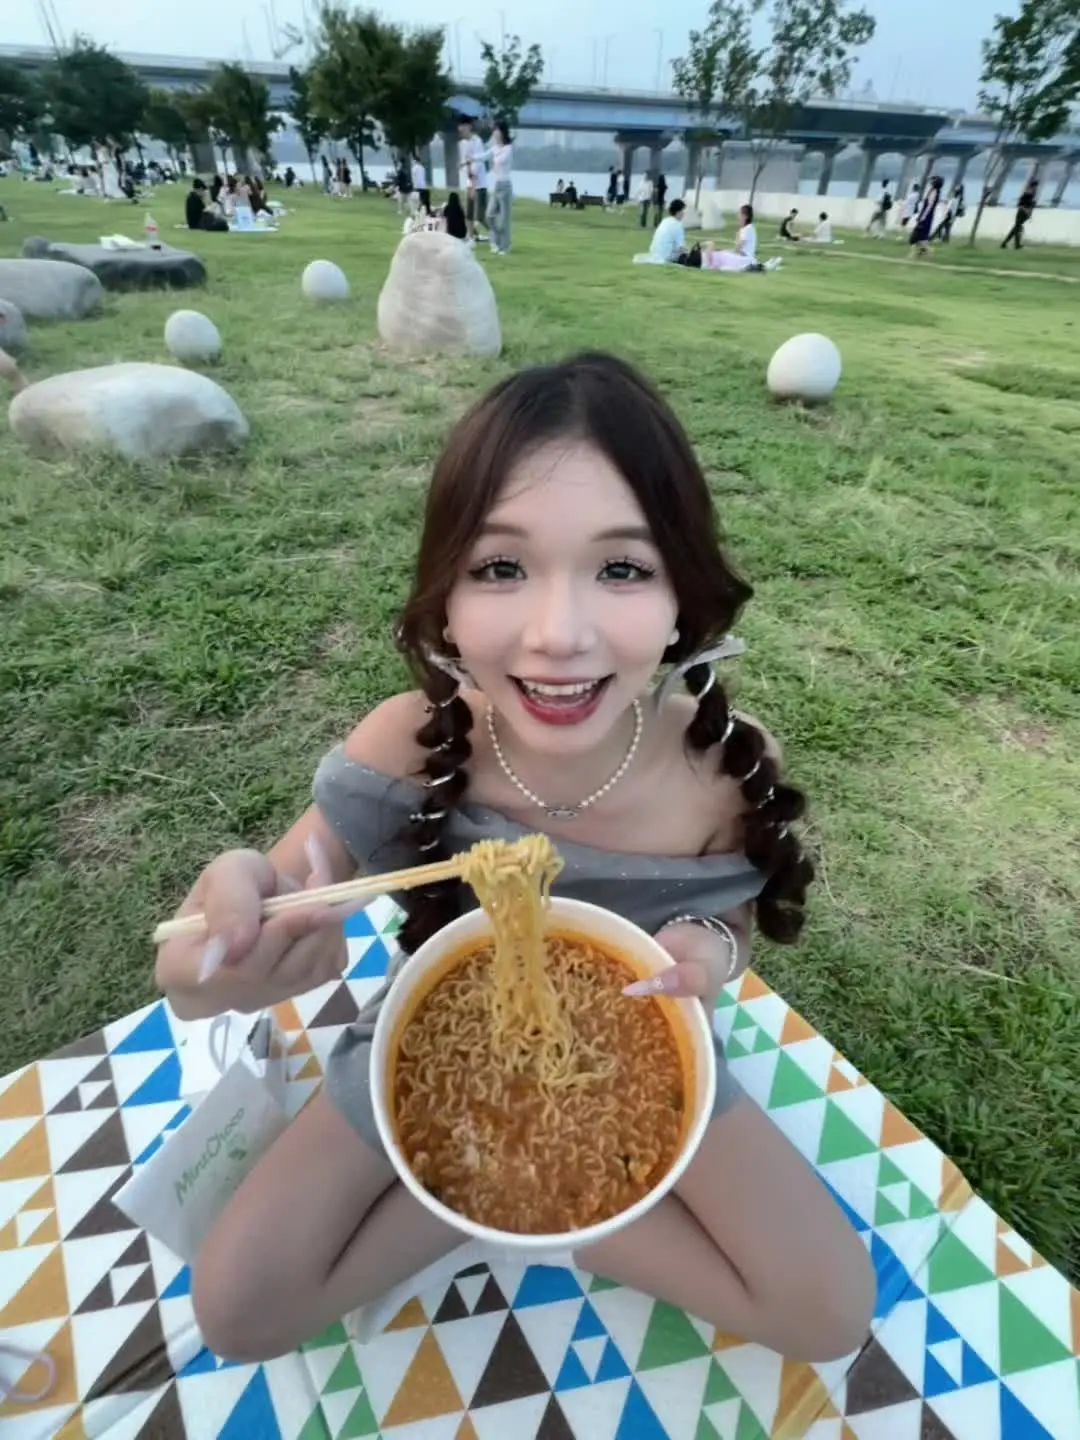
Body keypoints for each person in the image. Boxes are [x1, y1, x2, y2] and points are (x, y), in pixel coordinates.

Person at [156, 350, 876, 1367]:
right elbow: (257, 909)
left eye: (622, 569)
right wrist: (217, 956)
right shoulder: (407, 744)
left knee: (827, 1311)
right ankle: (474, 1192)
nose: (558, 635)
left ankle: (542, 1214)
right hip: (436, 1037)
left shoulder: (721, 766)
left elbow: (727, 918)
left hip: (642, 1041)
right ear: (445, 597)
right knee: (239, 1310)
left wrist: (706, 952)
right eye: (500, 567)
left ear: (683, 595)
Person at [702, 204, 779, 271]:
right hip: (742, 257)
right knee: (723, 254)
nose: (738, 216)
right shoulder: (746, 229)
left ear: (745, 216)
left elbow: (738, 248)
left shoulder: (748, 229)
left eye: (739, 214)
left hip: (744, 259)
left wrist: (737, 238)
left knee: (723, 257)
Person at [482, 122, 513, 255]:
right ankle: (497, 239)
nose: (494, 133)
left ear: (502, 132)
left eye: (496, 131)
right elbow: (484, 156)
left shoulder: (508, 148)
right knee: (489, 215)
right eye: (494, 131)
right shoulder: (494, 148)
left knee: (505, 219)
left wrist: (495, 159)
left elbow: (501, 160)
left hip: (505, 186)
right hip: (496, 186)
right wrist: (470, 159)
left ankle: (505, 247)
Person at [458, 117, 488, 241]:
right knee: (469, 213)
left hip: (479, 184)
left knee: (480, 216)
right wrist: (469, 180)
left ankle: (495, 233)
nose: (461, 131)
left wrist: (474, 186)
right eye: (460, 129)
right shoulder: (462, 144)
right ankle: (470, 237)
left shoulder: (477, 142)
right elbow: (463, 163)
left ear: (469, 127)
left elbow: (478, 164)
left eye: (463, 128)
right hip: (469, 182)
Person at [647, 198, 698, 265]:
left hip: (655, 254)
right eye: (682, 211)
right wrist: (690, 251)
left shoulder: (665, 221)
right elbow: (681, 248)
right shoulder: (678, 225)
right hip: (667, 257)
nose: (683, 214)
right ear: (678, 212)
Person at [909, 175, 943, 258]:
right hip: (926, 215)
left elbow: (929, 206)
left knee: (919, 237)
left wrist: (923, 217)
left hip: (926, 216)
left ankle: (927, 252)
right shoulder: (933, 191)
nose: (930, 182)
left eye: (932, 180)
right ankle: (918, 254)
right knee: (919, 238)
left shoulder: (934, 192)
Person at [1002, 174, 1037, 249]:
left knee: (1017, 229)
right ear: (1032, 187)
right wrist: (1027, 211)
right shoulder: (1027, 194)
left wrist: (1030, 213)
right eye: (1035, 187)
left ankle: (1011, 244)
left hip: (1025, 214)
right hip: (1021, 213)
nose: (1035, 189)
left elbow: (1030, 206)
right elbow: (1020, 205)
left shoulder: (1032, 195)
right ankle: (1011, 244)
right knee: (1017, 228)